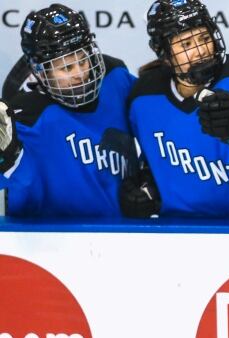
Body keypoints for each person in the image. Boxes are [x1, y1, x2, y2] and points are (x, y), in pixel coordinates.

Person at [127, 0, 229, 218]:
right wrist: (145, 183)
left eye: (204, 38)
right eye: (186, 45)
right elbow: (146, 159)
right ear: (165, 54)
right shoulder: (143, 95)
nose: (200, 51)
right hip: (176, 235)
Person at [0, 3, 137, 217]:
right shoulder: (25, 115)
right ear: (40, 72)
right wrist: (5, 159)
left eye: (83, 60)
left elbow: (156, 122)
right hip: (49, 243)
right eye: (66, 67)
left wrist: (149, 178)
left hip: (125, 235)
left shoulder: (116, 79)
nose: (80, 73)